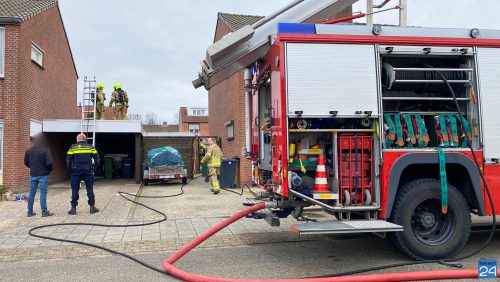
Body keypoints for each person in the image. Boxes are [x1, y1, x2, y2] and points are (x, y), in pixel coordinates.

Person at [66, 133, 100, 215]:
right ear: (85, 139)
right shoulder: (90, 147)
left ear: (78, 139)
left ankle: (73, 209)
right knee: (89, 188)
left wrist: (71, 170)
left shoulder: (73, 147)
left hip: (76, 170)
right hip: (88, 170)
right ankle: (92, 208)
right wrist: (94, 168)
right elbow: (97, 158)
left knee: (75, 189)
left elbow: (68, 160)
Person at [24, 134, 54, 217]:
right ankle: (44, 212)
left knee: (32, 193)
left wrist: (33, 167)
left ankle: (29, 212)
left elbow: (26, 162)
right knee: (43, 193)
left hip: (33, 174)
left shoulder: (28, 150)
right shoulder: (45, 149)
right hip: (43, 175)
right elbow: (50, 163)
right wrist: (48, 170)